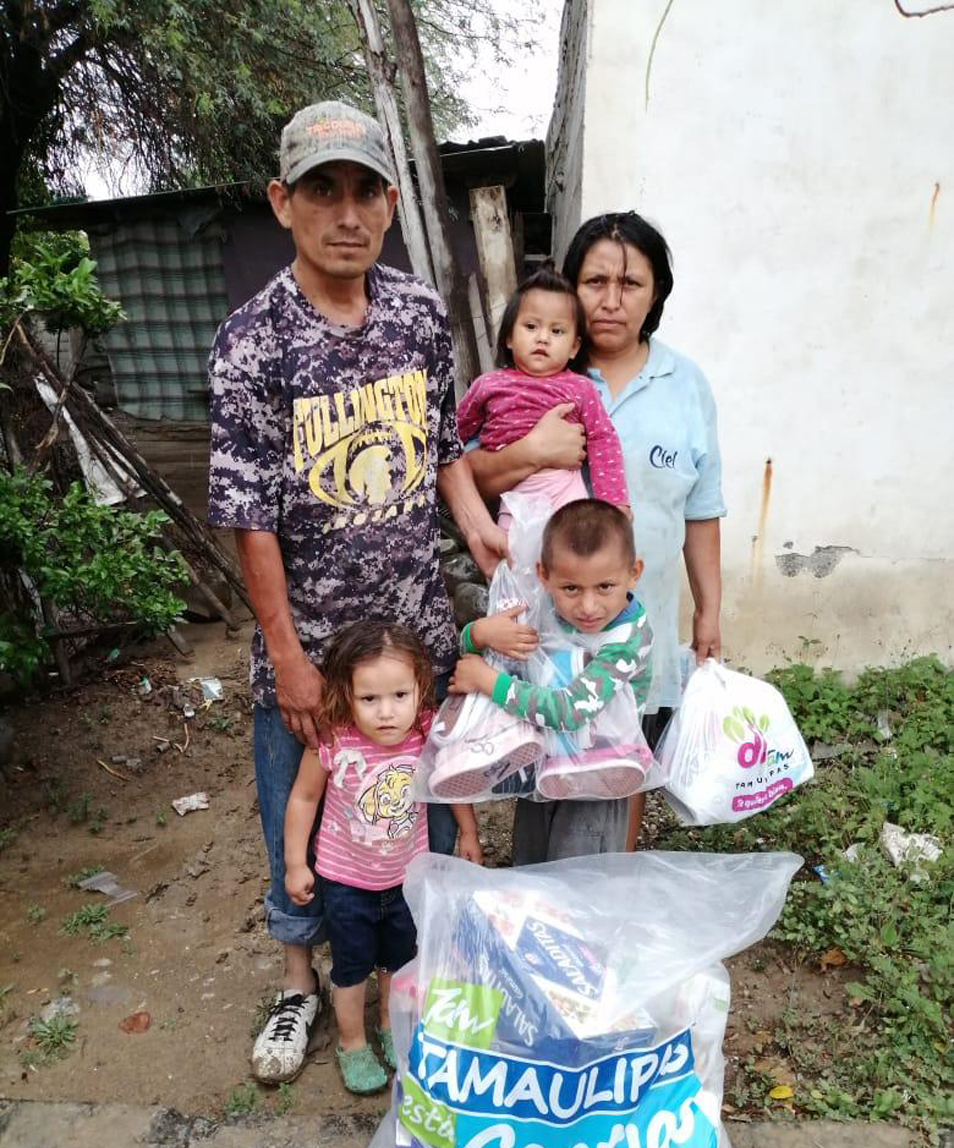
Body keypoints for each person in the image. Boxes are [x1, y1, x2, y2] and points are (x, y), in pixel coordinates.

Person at [207, 101, 507, 1085]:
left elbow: (444, 448)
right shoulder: (254, 340)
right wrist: (288, 658)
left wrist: (477, 526)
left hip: (414, 643)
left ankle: (413, 975)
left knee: (416, 813)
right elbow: (249, 514)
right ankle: (301, 986)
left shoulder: (418, 313)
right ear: (281, 202)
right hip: (315, 651)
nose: (347, 213)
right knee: (296, 812)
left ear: (388, 203)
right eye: (323, 190)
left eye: (365, 191)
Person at [464, 211, 725, 850]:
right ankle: (542, 881)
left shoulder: (686, 386)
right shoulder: (534, 377)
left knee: (621, 760)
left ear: (655, 294)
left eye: (630, 284)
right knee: (546, 764)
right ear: (570, 287)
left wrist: (709, 611)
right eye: (595, 281)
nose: (611, 300)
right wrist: (532, 451)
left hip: (635, 624)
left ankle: (610, 882)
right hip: (546, 624)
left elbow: (702, 508)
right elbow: (467, 472)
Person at [283, 621, 481, 1094]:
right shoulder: (335, 740)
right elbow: (304, 799)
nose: (387, 711)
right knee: (351, 969)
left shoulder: (426, 735)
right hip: (345, 883)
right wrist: (295, 863)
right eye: (369, 698)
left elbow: (450, 782)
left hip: (406, 880)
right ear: (346, 695)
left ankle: (392, 1025)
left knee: (399, 960)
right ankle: (351, 1043)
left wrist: (469, 832)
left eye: (399, 695)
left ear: (420, 689)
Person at [449, 499, 653, 863]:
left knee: (577, 884)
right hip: (544, 770)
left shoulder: (627, 641)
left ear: (634, 572)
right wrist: (478, 634)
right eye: (571, 588)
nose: (588, 607)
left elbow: (569, 711)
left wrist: (486, 681)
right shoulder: (546, 611)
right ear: (543, 575)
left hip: (597, 781)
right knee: (531, 870)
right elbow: (491, 656)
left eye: (605, 587)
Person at [456, 266, 629, 533]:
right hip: (515, 497)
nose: (543, 338)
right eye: (531, 326)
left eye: (557, 331)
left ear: (574, 347)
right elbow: (451, 437)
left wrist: (614, 503)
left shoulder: (581, 388)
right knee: (514, 554)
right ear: (509, 337)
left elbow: (602, 438)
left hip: (565, 491)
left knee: (573, 550)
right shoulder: (488, 385)